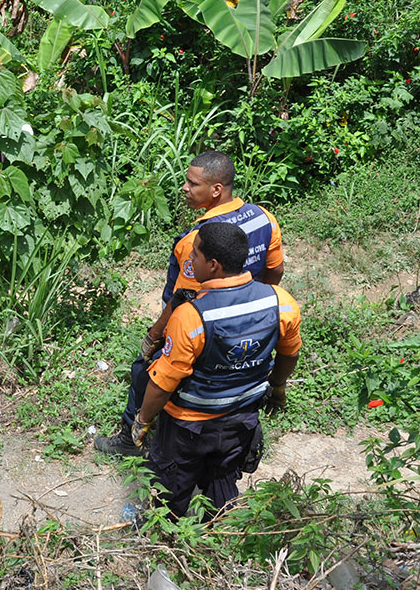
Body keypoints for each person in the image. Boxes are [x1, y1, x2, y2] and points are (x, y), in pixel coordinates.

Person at [96, 150, 286, 456]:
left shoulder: (198, 241)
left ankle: (132, 437)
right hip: (247, 323)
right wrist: (254, 303)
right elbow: (275, 270)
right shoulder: (264, 217)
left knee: (145, 371)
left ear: (216, 190)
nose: (184, 188)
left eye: (192, 183)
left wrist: (154, 336)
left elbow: (183, 299)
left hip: (202, 326)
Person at [130, 221, 301, 518]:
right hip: (241, 420)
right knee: (222, 484)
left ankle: (163, 545)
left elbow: (163, 383)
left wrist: (142, 420)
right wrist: (278, 387)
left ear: (213, 264)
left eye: (195, 255)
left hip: (187, 426)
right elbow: (289, 353)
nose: (190, 260)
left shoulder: (191, 316)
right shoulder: (281, 303)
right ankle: (220, 537)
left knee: (168, 493)